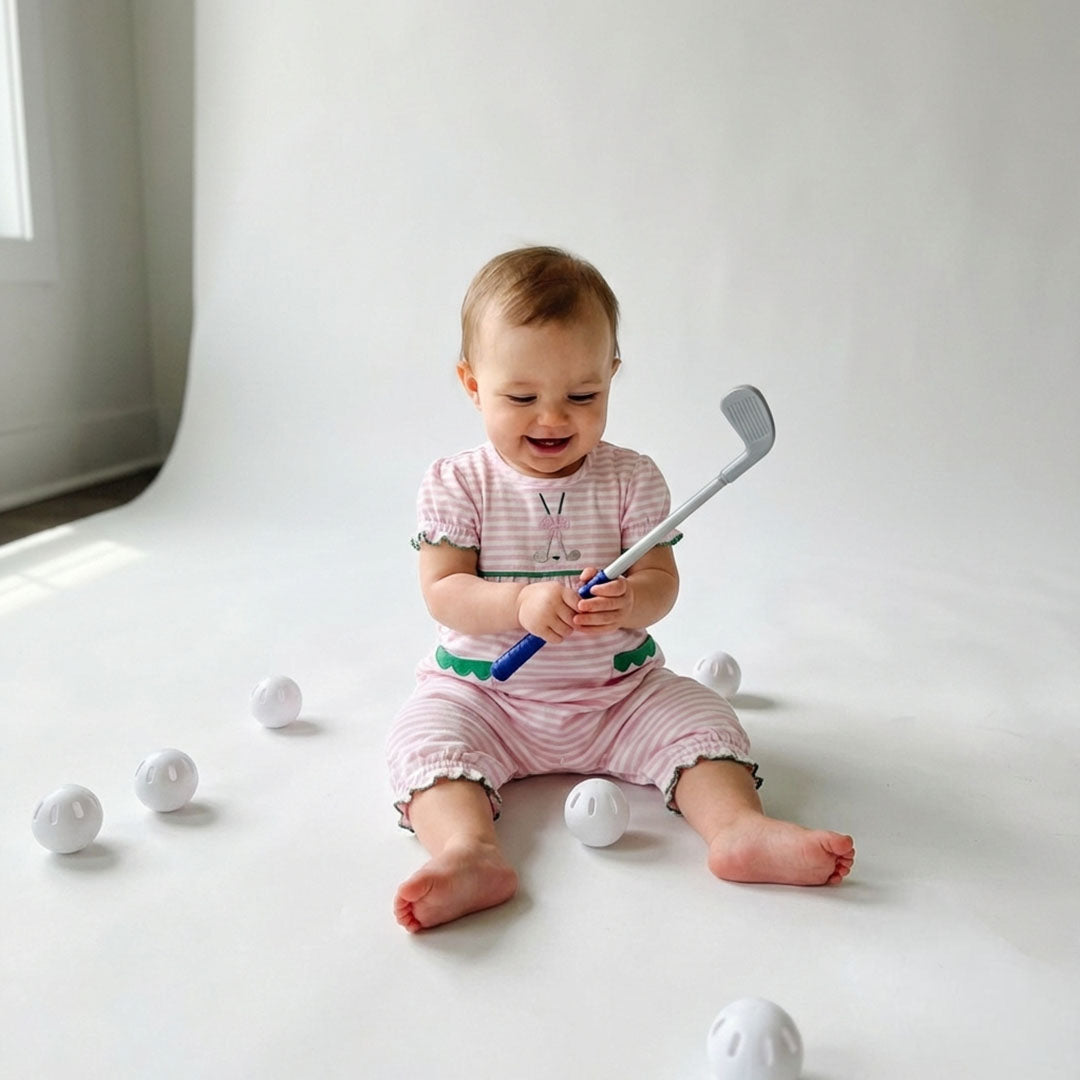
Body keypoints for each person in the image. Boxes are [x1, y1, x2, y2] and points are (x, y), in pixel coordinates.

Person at [387, 246, 854, 933]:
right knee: (424, 736)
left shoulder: (632, 479)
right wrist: (518, 603)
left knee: (701, 718)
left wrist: (630, 602)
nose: (552, 418)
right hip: (488, 695)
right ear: (471, 383)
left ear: (611, 376)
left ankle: (738, 829)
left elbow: (661, 583)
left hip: (616, 696)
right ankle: (469, 851)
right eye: (521, 397)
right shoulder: (459, 483)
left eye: (583, 396)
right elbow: (444, 590)